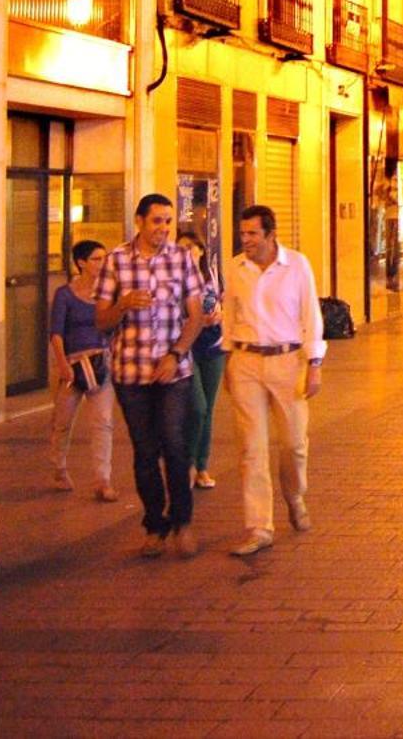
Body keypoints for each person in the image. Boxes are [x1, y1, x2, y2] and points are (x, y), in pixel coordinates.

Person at [95, 193, 207, 559]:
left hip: (173, 370)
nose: (163, 229)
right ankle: (154, 525)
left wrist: (176, 354)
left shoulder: (181, 260)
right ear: (139, 221)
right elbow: (101, 320)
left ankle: (183, 522)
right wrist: (123, 304)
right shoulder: (115, 261)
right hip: (131, 371)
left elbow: (195, 316)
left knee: (174, 444)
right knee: (145, 452)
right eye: (156, 221)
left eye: (168, 222)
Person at [223, 205, 324, 558]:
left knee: (294, 443)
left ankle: (294, 495)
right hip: (246, 361)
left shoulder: (297, 265)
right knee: (252, 448)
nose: (246, 240)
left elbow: (310, 313)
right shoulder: (236, 268)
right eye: (243, 233)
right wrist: (227, 359)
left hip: (288, 361)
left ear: (270, 233)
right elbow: (228, 314)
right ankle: (259, 526)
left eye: (252, 233)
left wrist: (314, 363)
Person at [49, 239, 117, 502]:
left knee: (103, 422)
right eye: (97, 259)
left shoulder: (109, 294)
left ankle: (103, 479)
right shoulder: (65, 295)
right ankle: (59, 467)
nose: (103, 264)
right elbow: (56, 332)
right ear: (81, 263)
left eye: (104, 258)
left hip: (101, 364)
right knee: (62, 422)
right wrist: (63, 364)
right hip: (73, 365)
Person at [178, 228, 227, 491]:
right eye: (181, 248)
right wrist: (193, 320)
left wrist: (219, 314)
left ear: (200, 250)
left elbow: (224, 302)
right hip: (186, 347)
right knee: (196, 407)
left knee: (208, 408)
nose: (187, 252)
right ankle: (186, 463)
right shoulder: (172, 281)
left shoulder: (213, 276)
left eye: (191, 247)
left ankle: (202, 466)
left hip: (212, 346)